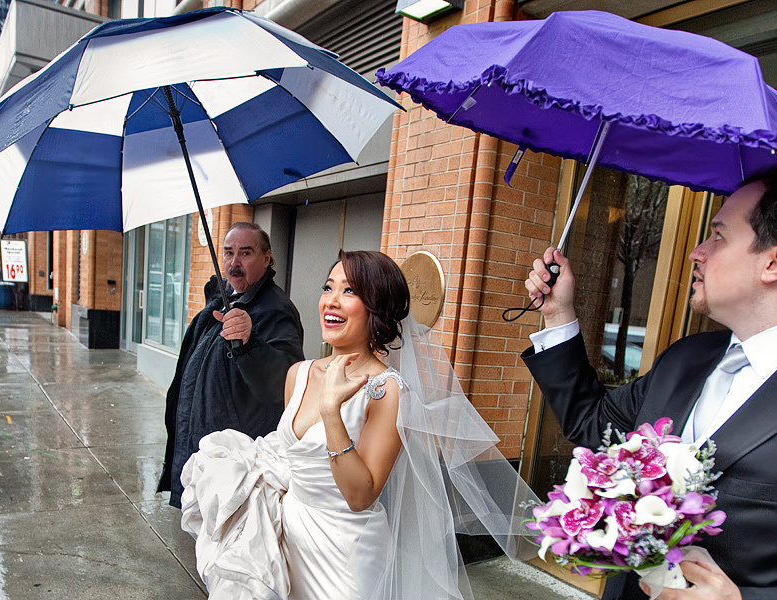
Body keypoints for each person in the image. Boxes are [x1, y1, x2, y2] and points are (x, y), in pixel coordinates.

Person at [180, 250, 537, 600]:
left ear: (377, 307)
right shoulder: (298, 374)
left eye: (349, 291)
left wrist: (331, 412)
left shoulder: (388, 389)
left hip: (345, 557)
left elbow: (360, 495)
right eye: (328, 287)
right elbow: (288, 459)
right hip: (286, 542)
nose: (331, 301)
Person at [520, 168, 777, 600]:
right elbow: (593, 425)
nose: (697, 252)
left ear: (772, 262)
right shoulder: (687, 357)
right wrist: (558, 316)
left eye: (718, 236)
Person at [158, 222, 305, 502]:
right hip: (205, 441)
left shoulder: (275, 310)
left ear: (267, 258)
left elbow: (283, 383)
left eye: (245, 253)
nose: (234, 262)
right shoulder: (224, 302)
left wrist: (250, 343)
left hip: (236, 454)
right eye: (228, 253)